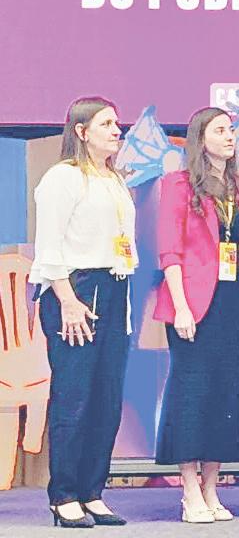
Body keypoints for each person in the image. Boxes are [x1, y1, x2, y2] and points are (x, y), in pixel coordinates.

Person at [30, 96, 137, 528]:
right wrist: (68, 300)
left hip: (115, 287)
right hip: (76, 288)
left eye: (117, 123)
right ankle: (64, 495)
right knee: (74, 397)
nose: (117, 131)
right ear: (81, 131)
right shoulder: (63, 177)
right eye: (106, 123)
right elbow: (49, 245)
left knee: (106, 400)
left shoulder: (113, 179)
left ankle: (93, 492)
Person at [154, 107, 239, 523]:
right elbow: (170, 251)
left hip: (231, 301)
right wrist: (181, 306)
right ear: (201, 139)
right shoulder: (178, 184)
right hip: (192, 304)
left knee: (224, 393)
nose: (230, 136)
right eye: (220, 130)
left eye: (231, 129)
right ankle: (189, 490)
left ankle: (212, 487)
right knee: (192, 393)